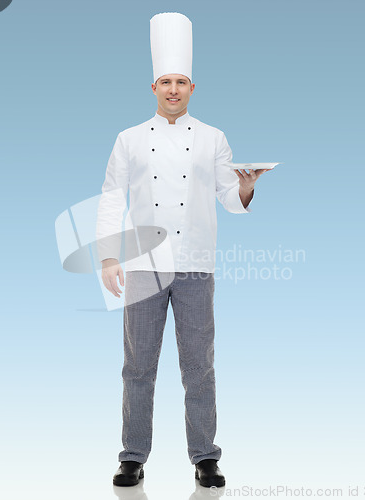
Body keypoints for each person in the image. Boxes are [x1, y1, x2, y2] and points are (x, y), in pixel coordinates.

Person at [96, 12, 269, 488]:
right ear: (153, 87)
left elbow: (229, 200)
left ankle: (205, 456)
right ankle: (132, 456)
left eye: (182, 82)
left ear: (194, 87)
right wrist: (110, 256)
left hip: (196, 265)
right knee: (138, 366)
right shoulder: (128, 139)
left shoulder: (213, 138)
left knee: (198, 366)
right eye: (166, 81)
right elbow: (111, 197)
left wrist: (248, 186)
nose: (174, 89)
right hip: (143, 266)